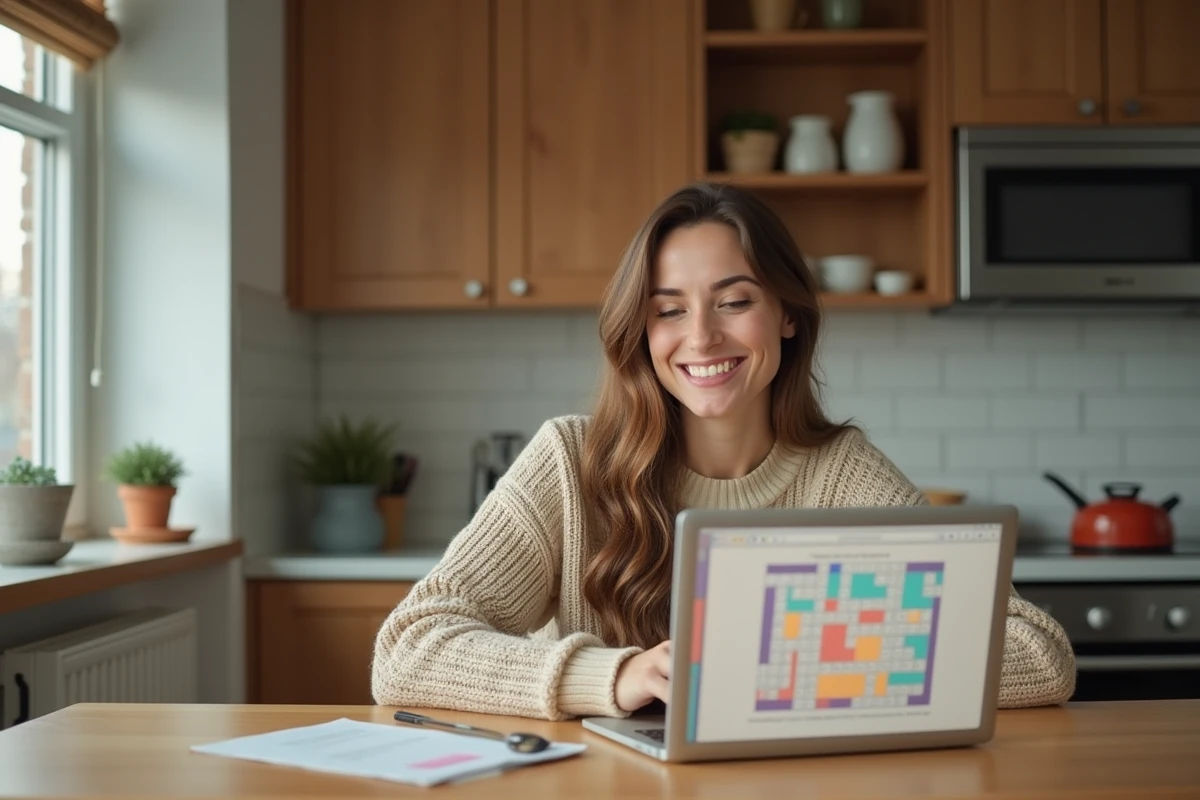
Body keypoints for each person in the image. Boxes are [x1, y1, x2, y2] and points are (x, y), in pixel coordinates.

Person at [371, 182, 1076, 720]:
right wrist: (618, 677)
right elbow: (406, 649)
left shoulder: (842, 475)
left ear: (788, 314)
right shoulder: (570, 460)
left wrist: (790, 670)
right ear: (641, 332)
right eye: (669, 309)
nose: (702, 337)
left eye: (735, 301)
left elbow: (1038, 657)